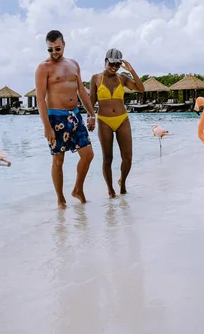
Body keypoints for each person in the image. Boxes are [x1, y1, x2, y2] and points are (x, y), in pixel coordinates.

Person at [35, 30, 95, 208]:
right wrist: (47, 126)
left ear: (64, 44)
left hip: (75, 115)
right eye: (50, 49)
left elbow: (81, 91)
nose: (54, 52)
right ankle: (60, 199)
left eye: (57, 48)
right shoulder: (43, 68)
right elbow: (40, 99)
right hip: (56, 117)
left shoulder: (74, 64)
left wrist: (92, 114)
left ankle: (78, 188)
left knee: (88, 155)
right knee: (58, 160)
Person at [90, 48, 144, 197]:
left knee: (127, 157)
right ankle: (110, 189)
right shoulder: (95, 78)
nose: (114, 68)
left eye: (117, 65)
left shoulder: (122, 78)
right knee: (108, 157)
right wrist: (90, 118)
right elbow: (91, 101)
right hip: (104, 120)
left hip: (122, 120)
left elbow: (141, 88)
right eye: (111, 64)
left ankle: (123, 182)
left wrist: (131, 70)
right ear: (105, 61)